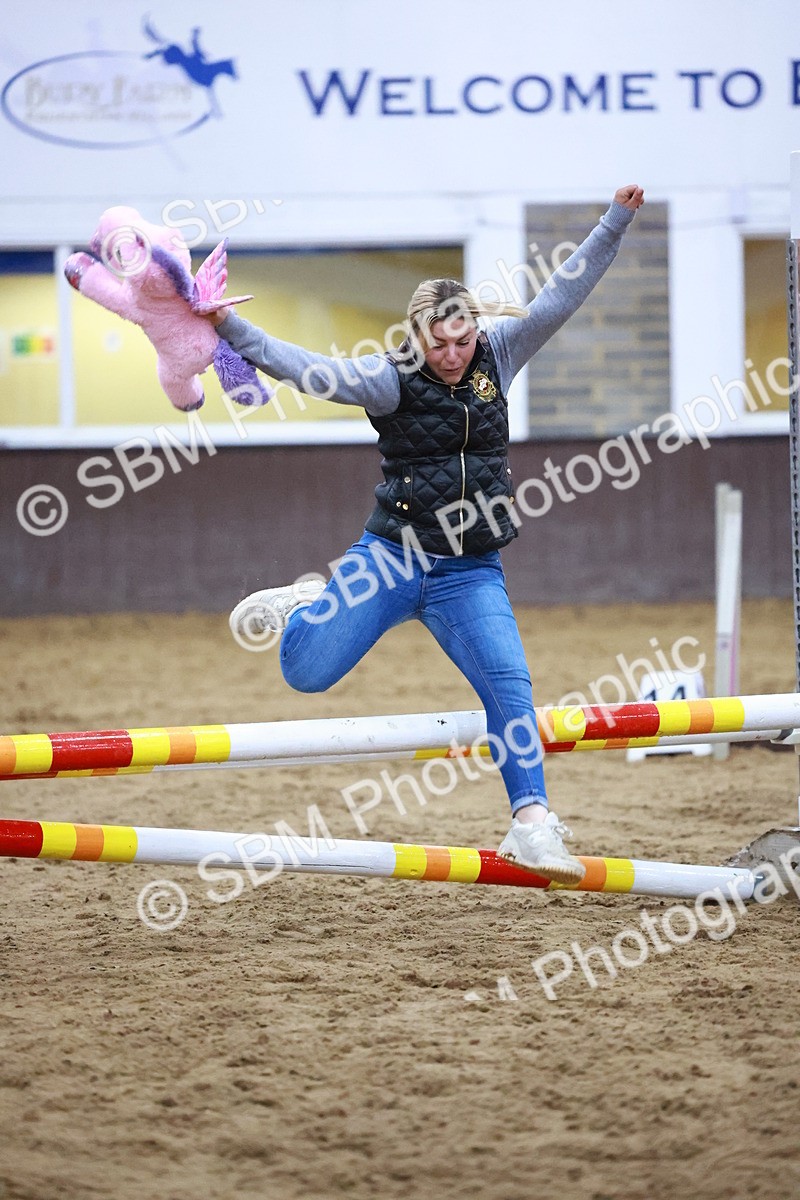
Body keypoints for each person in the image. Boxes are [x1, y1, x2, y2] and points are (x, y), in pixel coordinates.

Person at [211, 184, 645, 884]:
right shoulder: (388, 380)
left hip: (471, 570)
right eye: (438, 342)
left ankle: (531, 824)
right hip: (390, 558)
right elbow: (308, 372)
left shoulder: (499, 355)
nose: (451, 353)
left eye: (462, 339)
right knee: (306, 674)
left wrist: (614, 221)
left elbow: (565, 295)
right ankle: (304, 605)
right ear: (416, 335)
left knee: (510, 685)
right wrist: (233, 333)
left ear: (476, 329)